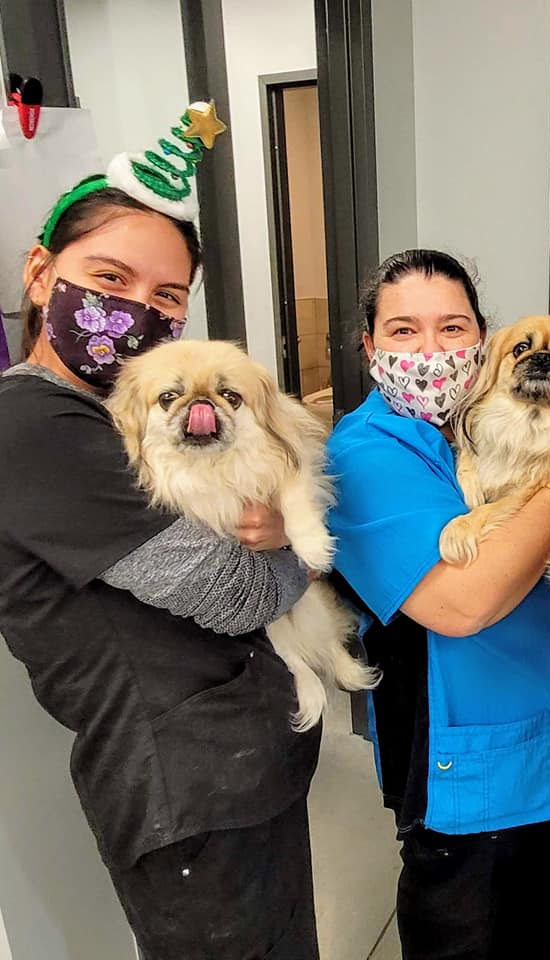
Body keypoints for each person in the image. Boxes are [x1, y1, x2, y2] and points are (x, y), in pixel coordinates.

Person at [0, 104, 322, 960]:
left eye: (167, 296)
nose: (136, 310)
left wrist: (280, 531)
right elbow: (238, 595)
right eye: (109, 278)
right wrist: (292, 550)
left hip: (238, 771)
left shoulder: (119, 418)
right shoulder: (35, 426)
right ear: (41, 273)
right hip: (188, 794)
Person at [325, 249, 550, 960]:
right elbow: (462, 604)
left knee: (535, 939)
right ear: (369, 346)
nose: (430, 350)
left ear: (482, 343)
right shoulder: (366, 452)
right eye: (403, 330)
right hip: (469, 771)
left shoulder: (482, 429)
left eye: (452, 327)